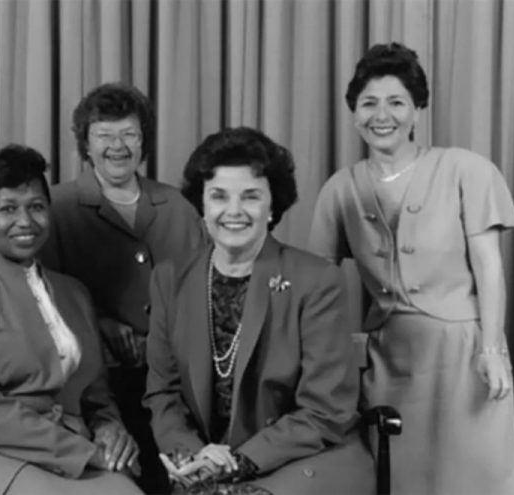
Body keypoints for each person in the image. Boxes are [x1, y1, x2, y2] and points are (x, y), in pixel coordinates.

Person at [308, 42, 514, 494]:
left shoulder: (467, 169)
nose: (381, 115)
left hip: (467, 356)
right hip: (389, 361)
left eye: (396, 102)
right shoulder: (340, 189)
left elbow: (489, 266)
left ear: (417, 110)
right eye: (368, 103)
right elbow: (319, 284)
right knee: (397, 478)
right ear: (353, 113)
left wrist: (491, 349)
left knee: (472, 477)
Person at [143, 127, 375, 494]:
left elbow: (325, 410)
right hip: (206, 461)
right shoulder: (170, 280)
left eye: (250, 197)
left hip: (301, 459)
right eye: (219, 196)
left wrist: (238, 463)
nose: (233, 211)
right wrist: (191, 455)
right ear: (202, 205)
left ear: (271, 207)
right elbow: (163, 394)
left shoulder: (316, 280)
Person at [0, 145, 142, 495]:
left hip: (69, 450)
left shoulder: (73, 293)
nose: (25, 221)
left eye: (36, 207)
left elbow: (95, 392)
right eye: (8, 209)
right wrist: (86, 453)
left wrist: (109, 429)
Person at [39, 82, 207, 493]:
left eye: (129, 134)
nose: (118, 146)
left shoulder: (179, 206)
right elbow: (39, 298)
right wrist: (100, 325)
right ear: (85, 143)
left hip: (173, 381)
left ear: (144, 140)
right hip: (93, 386)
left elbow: (202, 292)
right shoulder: (56, 207)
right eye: (104, 135)